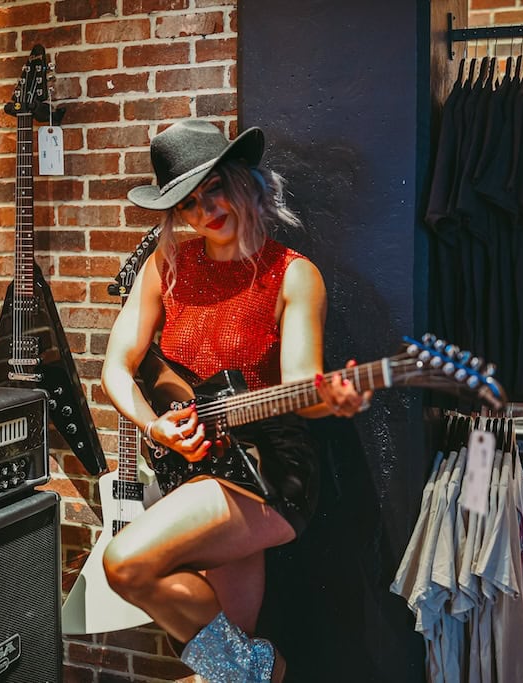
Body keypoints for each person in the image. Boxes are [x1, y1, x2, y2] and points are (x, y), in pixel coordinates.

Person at [100, 118, 371, 683]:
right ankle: (252, 672)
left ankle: (264, 669)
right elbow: (116, 369)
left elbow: (304, 387)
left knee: (124, 563)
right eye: (187, 205)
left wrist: (332, 399)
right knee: (228, 664)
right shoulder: (165, 268)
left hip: (269, 472)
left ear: (242, 181)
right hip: (193, 464)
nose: (204, 212)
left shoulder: (294, 276)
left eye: (213, 190)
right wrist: (155, 429)